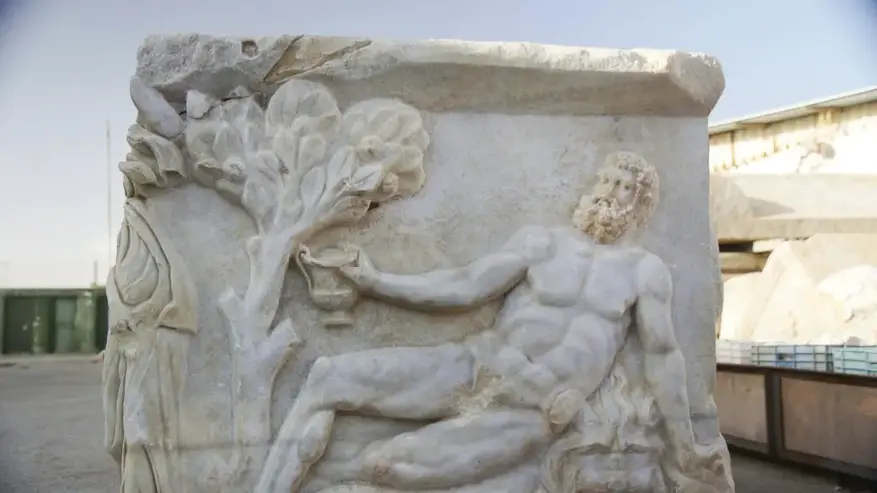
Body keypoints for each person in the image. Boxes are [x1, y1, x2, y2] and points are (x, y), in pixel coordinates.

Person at [256, 152, 719, 493]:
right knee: (328, 376)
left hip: (530, 410)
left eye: (625, 187)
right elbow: (465, 286)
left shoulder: (644, 272)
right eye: (607, 180)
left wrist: (684, 446)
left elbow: (663, 357)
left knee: (382, 465)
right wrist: (375, 282)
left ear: (641, 204)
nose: (610, 192)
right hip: (478, 364)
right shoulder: (543, 243)